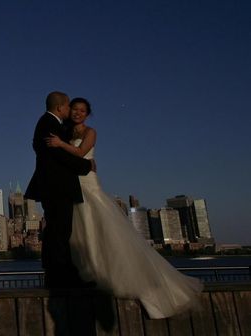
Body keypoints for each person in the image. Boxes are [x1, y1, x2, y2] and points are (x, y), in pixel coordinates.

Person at [46, 97, 203, 319]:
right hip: (73, 186)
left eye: (83, 110)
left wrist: (61, 146)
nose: (78, 113)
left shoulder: (91, 132)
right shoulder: (64, 131)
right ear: (69, 111)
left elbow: (81, 153)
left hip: (89, 185)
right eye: (75, 109)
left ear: (88, 114)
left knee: (105, 229)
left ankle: (149, 292)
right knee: (84, 233)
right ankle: (93, 273)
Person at [25, 91, 95, 288]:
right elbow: (58, 155)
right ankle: (59, 275)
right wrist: (87, 166)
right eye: (69, 107)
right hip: (57, 186)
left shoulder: (54, 125)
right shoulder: (49, 123)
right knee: (59, 231)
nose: (71, 111)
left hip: (57, 185)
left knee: (59, 230)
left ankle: (60, 272)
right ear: (60, 108)